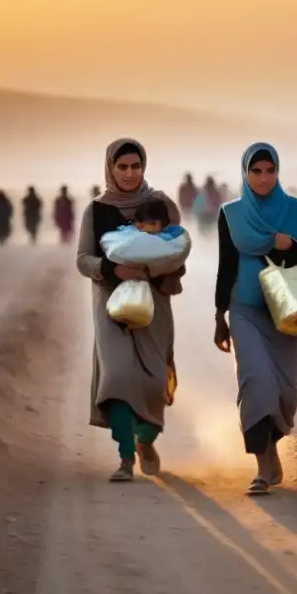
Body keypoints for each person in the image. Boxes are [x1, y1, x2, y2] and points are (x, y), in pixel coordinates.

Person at [76, 138, 185, 482]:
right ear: (110, 168)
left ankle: (146, 440)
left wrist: (151, 269)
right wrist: (114, 270)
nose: (129, 173)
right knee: (119, 376)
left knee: (153, 380)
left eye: (135, 166)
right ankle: (125, 457)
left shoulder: (160, 204)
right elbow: (83, 260)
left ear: (144, 167)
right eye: (121, 167)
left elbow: (178, 247)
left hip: (154, 302)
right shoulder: (96, 210)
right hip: (111, 303)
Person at [214, 142, 297, 496]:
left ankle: (273, 444)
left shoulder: (294, 210)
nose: (262, 178)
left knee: (286, 393)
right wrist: (219, 314)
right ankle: (262, 465)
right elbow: (226, 265)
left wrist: (288, 245)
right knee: (256, 382)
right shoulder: (231, 214)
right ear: (245, 173)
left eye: (269, 170)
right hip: (244, 308)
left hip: (287, 313)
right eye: (255, 171)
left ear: (278, 172)